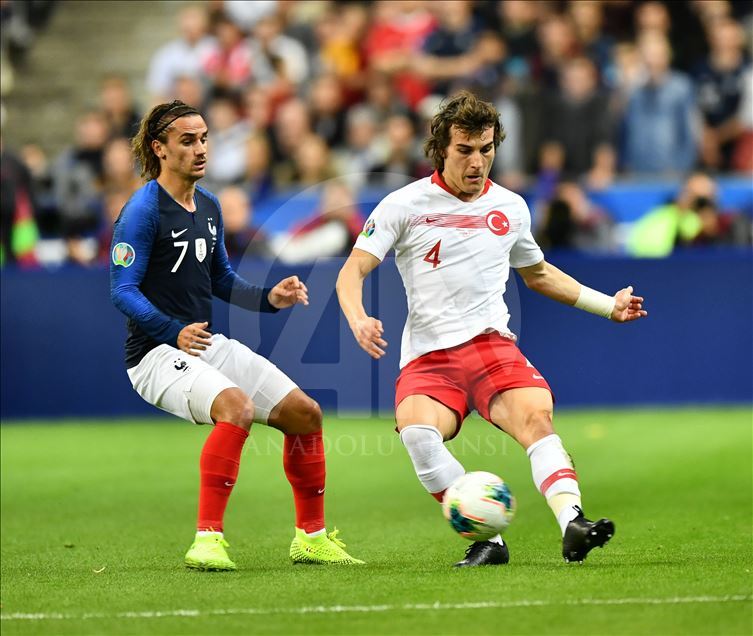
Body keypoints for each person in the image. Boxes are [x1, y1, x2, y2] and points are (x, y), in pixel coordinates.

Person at [336, 91, 647, 567]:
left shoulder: (511, 207)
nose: (477, 162)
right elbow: (352, 270)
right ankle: (489, 541)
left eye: (486, 149)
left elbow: (538, 274)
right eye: (465, 150)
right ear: (441, 149)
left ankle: (573, 523)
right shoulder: (404, 204)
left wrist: (609, 306)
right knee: (418, 435)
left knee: (536, 421)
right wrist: (358, 318)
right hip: (429, 357)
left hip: (490, 348)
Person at [110, 100, 362, 571]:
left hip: (202, 344)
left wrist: (270, 298)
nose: (201, 149)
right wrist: (172, 331)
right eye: (188, 140)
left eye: (205, 138)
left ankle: (311, 538)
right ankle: (207, 540)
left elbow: (221, 279)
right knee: (237, 408)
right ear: (159, 148)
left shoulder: (208, 205)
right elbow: (122, 290)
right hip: (153, 354)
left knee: (305, 414)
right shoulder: (142, 210)